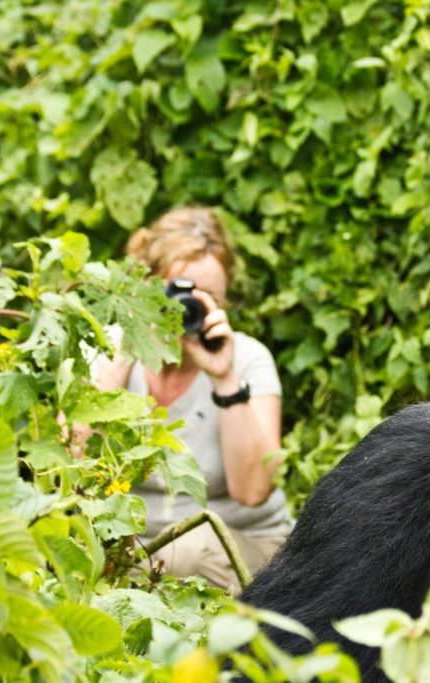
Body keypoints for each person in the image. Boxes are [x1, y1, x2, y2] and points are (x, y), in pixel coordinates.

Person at [92, 207, 290, 593]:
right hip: (133, 548)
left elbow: (253, 492)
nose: (186, 310)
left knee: (191, 551)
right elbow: (70, 458)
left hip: (241, 545)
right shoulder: (107, 350)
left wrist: (224, 378)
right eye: (176, 293)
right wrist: (132, 344)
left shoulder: (247, 359)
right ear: (146, 288)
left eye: (206, 297)